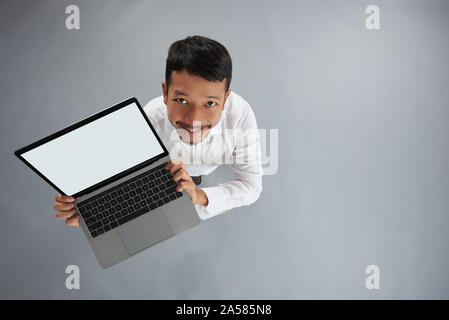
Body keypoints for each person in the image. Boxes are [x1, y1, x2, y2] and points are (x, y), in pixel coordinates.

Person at [53, 35, 263, 225]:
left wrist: (198, 196)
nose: (194, 121)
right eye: (181, 100)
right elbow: (129, 178)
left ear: (226, 100)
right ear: (165, 92)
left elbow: (251, 186)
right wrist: (89, 210)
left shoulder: (240, 115)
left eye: (210, 104)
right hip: (168, 177)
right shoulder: (150, 120)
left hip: (198, 177)